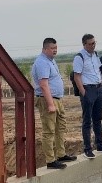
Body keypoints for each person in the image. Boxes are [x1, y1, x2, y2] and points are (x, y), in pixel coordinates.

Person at [31, 38, 77, 169]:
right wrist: (50, 104)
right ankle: (50, 160)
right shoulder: (42, 62)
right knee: (49, 130)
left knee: (60, 127)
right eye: (52, 48)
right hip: (48, 100)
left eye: (56, 48)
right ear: (44, 49)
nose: (55, 50)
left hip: (57, 99)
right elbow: (43, 84)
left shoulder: (51, 61)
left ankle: (61, 154)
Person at [73, 34, 102, 159]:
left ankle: (100, 144)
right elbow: (77, 76)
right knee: (87, 121)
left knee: (97, 119)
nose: (93, 45)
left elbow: (99, 72)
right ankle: (88, 149)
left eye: (94, 43)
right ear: (84, 44)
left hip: (99, 89)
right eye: (90, 44)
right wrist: (84, 93)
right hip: (88, 90)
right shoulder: (79, 57)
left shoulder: (95, 55)